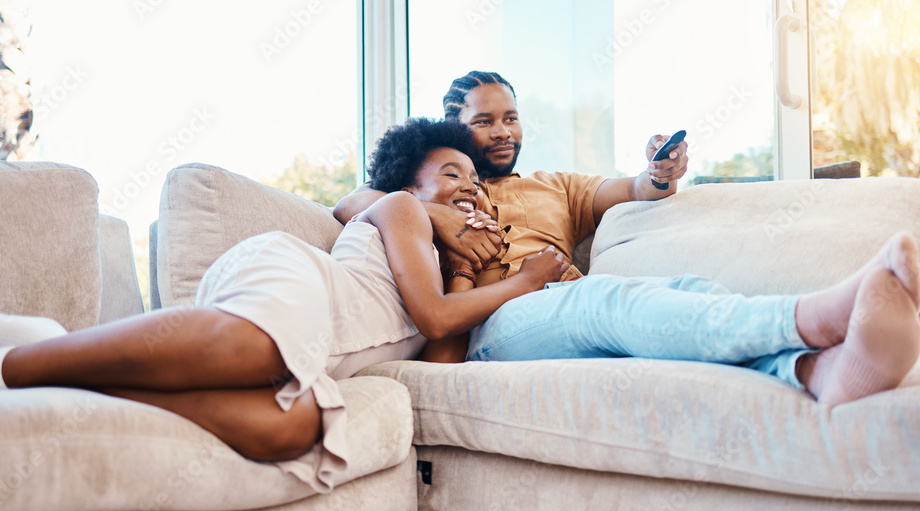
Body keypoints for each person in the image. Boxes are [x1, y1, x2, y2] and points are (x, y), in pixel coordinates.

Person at [0, 118, 566, 493]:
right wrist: (521, 280)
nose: (469, 190)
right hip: (295, 282)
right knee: (254, 348)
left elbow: (440, 356)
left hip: (318, 348)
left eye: (476, 183)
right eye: (451, 174)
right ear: (410, 186)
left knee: (289, 430)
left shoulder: (452, 272)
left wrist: (466, 274)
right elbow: (426, 317)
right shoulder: (398, 210)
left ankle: (54, 354)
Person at [333, 71, 920, 406]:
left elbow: (636, 186)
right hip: (502, 324)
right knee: (608, 299)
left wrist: (659, 172)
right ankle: (816, 314)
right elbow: (354, 205)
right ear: (451, 126)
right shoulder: (430, 187)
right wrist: (434, 216)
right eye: (484, 120)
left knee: (684, 290)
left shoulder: (552, 185)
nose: (503, 130)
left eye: (510, 116)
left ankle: (817, 372)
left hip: (561, 308)